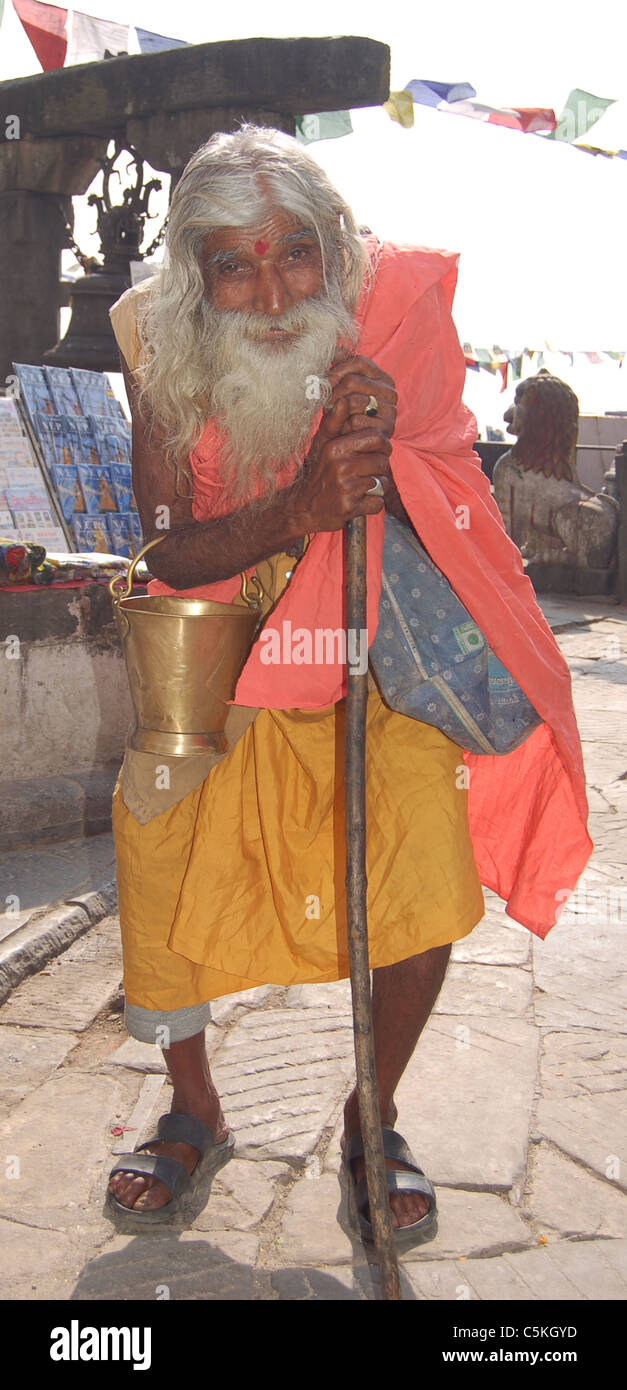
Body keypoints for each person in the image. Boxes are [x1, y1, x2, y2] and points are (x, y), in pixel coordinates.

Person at [106, 125, 592, 1242]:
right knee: (158, 817)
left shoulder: (400, 313)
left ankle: (373, 1113)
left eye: (294, 254)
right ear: (198, 275)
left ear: (337, 251)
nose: (270, 291)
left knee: (424, 837)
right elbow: (168, 548)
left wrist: (389, 455)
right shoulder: (158, 342)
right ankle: (193, 1106)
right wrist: (294, 513)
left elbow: (456, 505)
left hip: (369, 631)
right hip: (224, 634)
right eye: (234, 262)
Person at [493, 371, 617, 572]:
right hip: (596, 520)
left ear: (536, 415)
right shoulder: (536, 468)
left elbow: (509, 529)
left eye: (518, 403)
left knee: (570, 514)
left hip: (586, 531)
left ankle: (573, 558)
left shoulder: (509, 469)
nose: (509, 414)